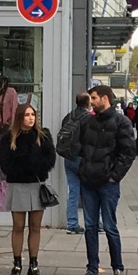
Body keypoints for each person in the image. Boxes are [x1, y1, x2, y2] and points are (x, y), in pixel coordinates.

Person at [73, 84, 137, 275]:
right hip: (89, 181)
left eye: (93, 98)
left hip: (107, 183)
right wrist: (83, 169)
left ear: (105, 98)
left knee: (110, 226)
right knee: (90, 226)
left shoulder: (121, 122)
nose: (90, 101)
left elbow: (128, 152)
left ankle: (117, 268)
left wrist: (114, 176)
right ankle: (92, 269)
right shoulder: (88, 122)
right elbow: (80, 146)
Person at [0, 105, 56, 275]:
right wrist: (23, 166)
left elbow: (50, 159)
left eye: (33, 115)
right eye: (26, 115)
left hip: (36, 185)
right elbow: (5, 162)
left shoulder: (42, 135)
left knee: (35, 227)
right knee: (18, 226)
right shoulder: (9, 137)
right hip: (17, 185)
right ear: (19, 117)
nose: (30, 118)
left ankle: (34, 264)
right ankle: (17, 264)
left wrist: (34, 164)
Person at [56, 92, 91, 235]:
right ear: (88, 102)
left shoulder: (68, 117)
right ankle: (93, 222)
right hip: (83, 158)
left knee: (73, 192)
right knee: (89, 192)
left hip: (69, 158)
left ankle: (72, 224)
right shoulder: (88, 119)